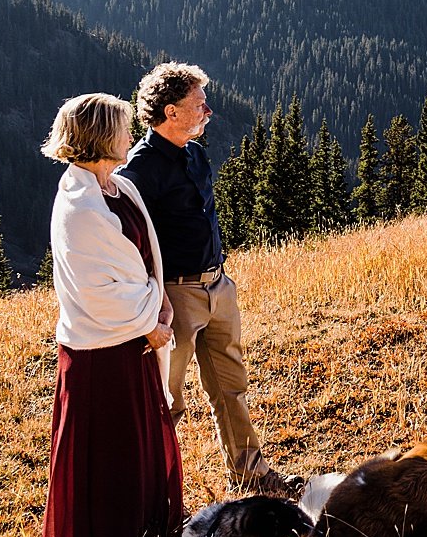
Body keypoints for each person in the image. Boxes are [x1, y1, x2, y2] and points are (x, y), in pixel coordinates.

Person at [117, 63, 301, 498]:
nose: (209, 111)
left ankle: (251, 475)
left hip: (218, 285)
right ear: (171, 112)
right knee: (168, 398)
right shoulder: (139, 172)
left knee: (230, 386)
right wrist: (153, 299)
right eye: (199, 105)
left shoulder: (194, 154)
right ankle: (157, 495)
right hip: (176, 295)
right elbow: (128, 240)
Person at [39, 92, 183, 537]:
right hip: (104, 355)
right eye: (122, 128)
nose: (130, 135)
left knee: (141, 445)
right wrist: (152, 321)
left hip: (133, 345)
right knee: (110, 458)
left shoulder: (116, 188)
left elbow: (143, 263)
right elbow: (100, 293)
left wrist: (156, 302)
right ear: (101, 137)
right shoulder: (79, 208)